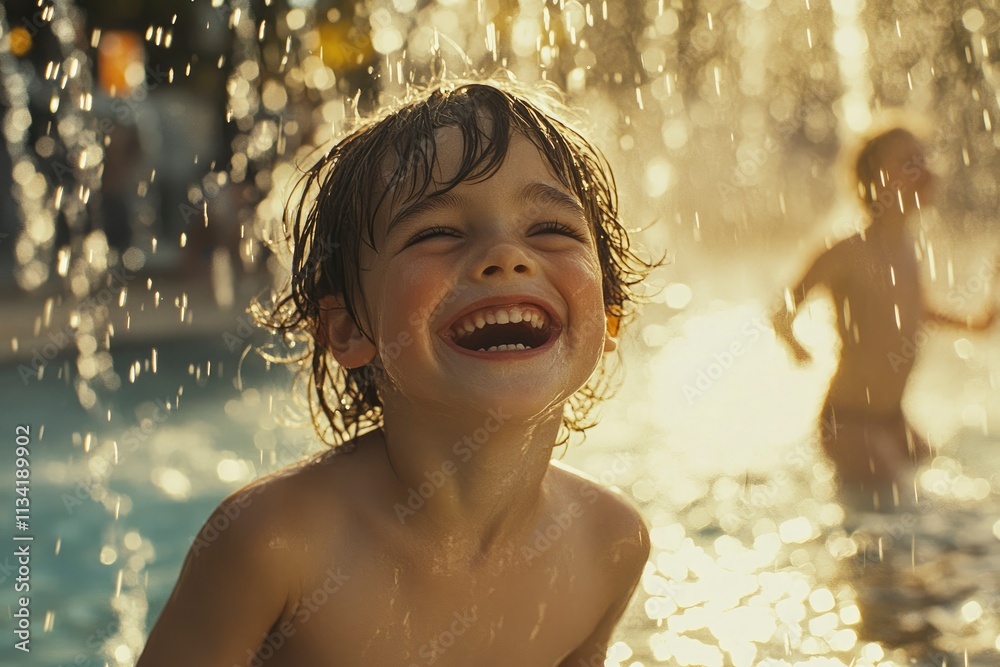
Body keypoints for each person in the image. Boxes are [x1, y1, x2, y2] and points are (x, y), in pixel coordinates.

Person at [137, 80, 656, 666]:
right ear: (347, 329)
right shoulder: (277, 545)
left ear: (610, 312)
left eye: (551, 229)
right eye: (437, 233)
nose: (506, 256)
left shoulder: (608, 544)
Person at [773, 126, 996, 512]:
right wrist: (796, 346)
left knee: (940, 485)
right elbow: (783, 310)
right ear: (874, 182)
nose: (926, 172)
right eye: (910, 164)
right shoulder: (846, 251)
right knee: (901, 515)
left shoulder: (907, 244)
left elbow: (915, 310)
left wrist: (980, 318)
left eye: (926, 160)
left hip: (892, 418)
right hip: (849, 422)